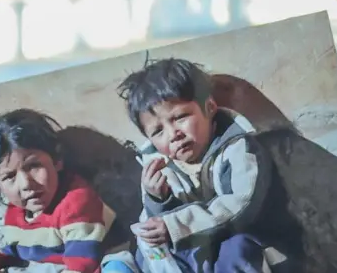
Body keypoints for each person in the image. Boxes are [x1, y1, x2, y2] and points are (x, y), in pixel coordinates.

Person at [116, 59, 296, 273]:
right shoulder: (159, 164)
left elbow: (241, 205)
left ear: (209, 108)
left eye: (180, 117)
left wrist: (174, 226)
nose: (174, 135)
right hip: (197, 247)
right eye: (157, 131)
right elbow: (158, 221)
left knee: (236, 250)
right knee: (150, 255)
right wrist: (158, 199)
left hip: (246, 241)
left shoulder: (238, 148)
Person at [0, 109, 137, 273]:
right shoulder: (16, 213)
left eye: (34, 166)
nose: (26, 183)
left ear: (57, 160)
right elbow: (22, 260)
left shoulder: (77, 202)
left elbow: (83, 266)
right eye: (9, 176)